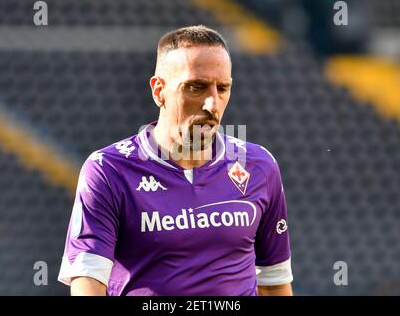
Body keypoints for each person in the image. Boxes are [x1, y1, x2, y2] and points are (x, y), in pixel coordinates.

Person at [58, 25, 293, 296]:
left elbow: (274, 283)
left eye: (223, 88)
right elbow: (88, 283)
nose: (212, 104)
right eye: (196, 87)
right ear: (159, 90)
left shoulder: (259, 166)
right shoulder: (108, 170)